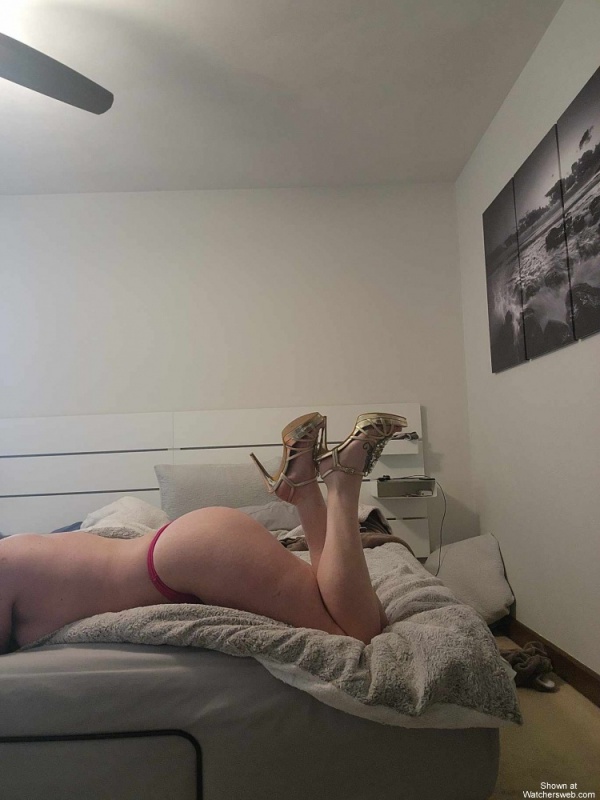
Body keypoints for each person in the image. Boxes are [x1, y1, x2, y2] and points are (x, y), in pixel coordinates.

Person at [0, 411, 406, 653]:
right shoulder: (14, 550)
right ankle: (302, 487)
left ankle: (343, 480)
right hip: (188, 549)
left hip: (189, 558)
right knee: (344, 609)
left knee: (358, 635)